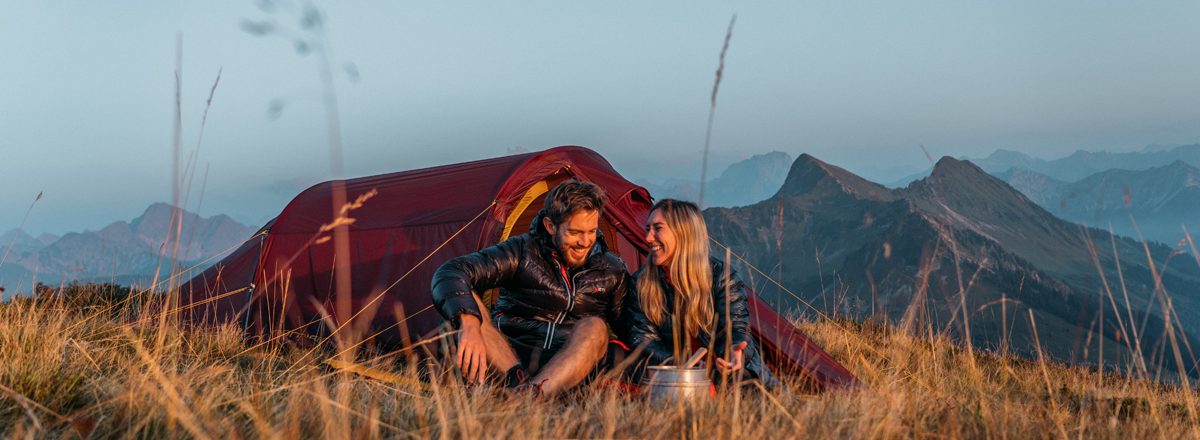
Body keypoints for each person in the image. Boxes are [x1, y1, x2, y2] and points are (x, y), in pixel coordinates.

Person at [431, 180, 629, 395]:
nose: (585, 241)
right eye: (575, 232)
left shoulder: (612, 269)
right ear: (550, 226)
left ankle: (532, 395)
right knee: (467, 302)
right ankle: (519, 386)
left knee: (595, 327)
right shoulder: (521, 251)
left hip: (568, 363)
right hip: (509, 356)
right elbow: (452, 271)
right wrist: (469, 322)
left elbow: (634, 329)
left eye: (592, 231)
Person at [618, 199, 779, 388]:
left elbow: (735, 326)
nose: (648, 238)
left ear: (683, 233)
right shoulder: (642, 283)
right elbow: (643, 338)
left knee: (740, 383)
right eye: (648, 229)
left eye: (658, 228)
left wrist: (733, 352)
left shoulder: (720, 276)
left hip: (724, 370)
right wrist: (681, 366)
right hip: (674, 373)